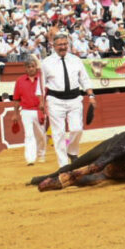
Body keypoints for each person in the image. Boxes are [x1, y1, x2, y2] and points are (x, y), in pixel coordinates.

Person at [40, 32, 96, 167]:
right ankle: (63, 165)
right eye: (60, 44)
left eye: (65, 44)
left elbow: (84, 79)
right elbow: (41, 84)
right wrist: (42, 102)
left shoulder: (76, 60)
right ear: (53, 46)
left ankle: (72, 151)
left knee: (77, 129)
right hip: (55, 100)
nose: (63, 47)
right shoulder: (46, 63)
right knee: (58, 134)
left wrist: (91, 95)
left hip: (75, 98)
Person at [10, 56, 46, 166]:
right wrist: (15, 113)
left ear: (36, 67)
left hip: (39, 110)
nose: (31, 69)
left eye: (33, 66)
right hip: (26, 111)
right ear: (25, 68)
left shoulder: (41, 79)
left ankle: (41, 154)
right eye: (29, 67)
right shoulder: (20, 81)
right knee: (29, 135)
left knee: (41, 135)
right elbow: (16, 99)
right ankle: (30, 158)